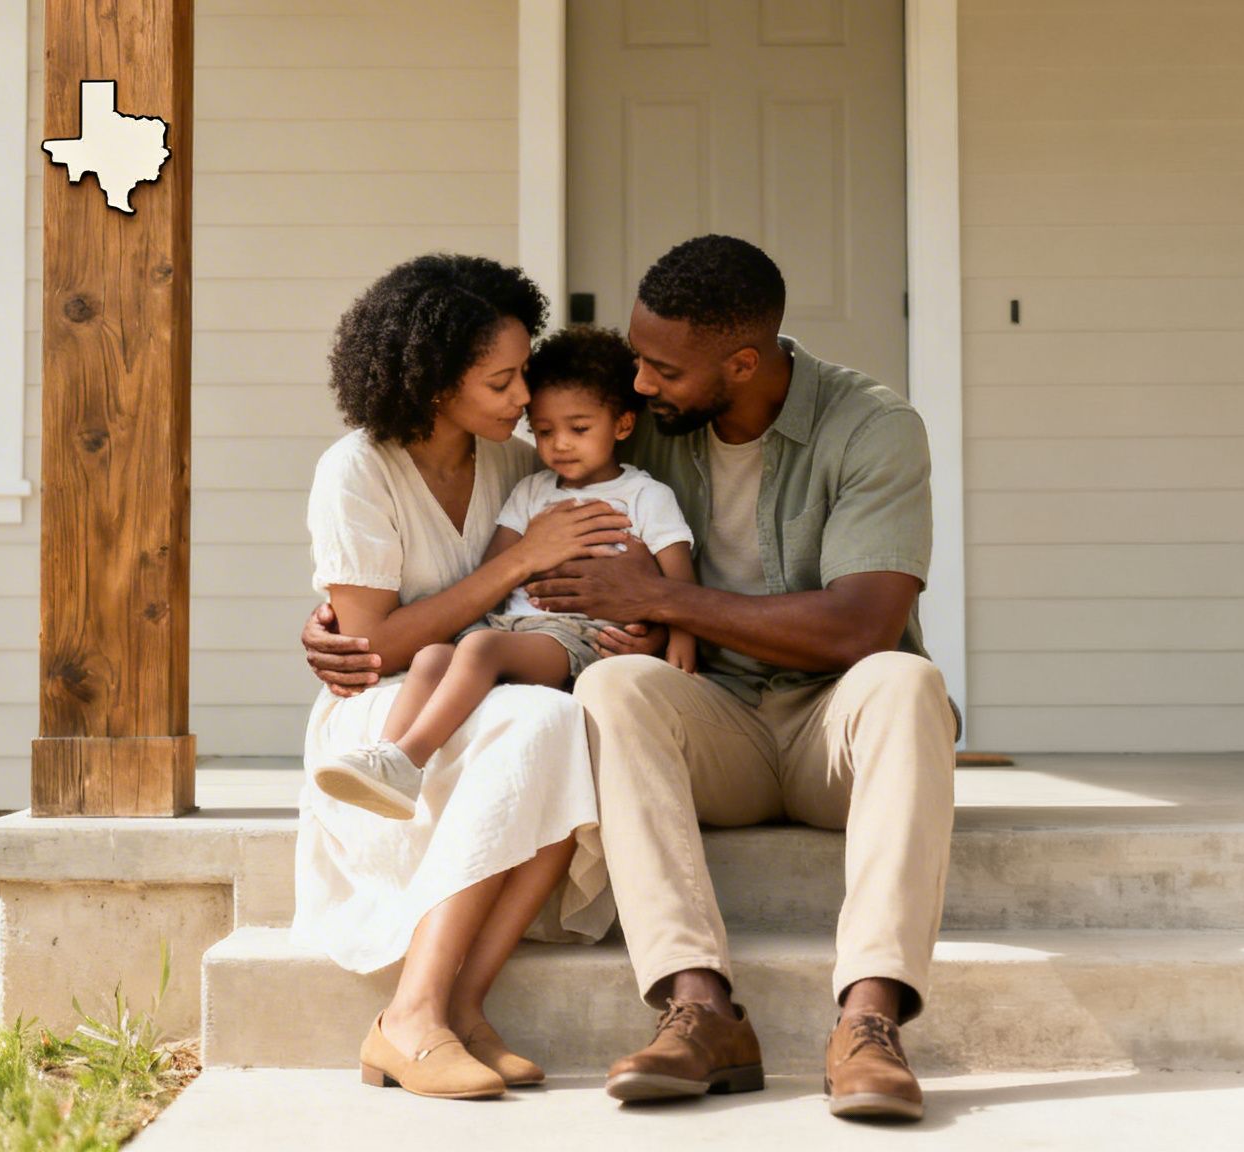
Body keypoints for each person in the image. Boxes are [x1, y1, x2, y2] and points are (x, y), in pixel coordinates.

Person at [303, 235, 957, 1123]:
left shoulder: (871, 428)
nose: (639, 388)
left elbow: (861, 625)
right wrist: (345, 631)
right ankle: (698, 1008)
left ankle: (870, 1022)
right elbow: (429, 580)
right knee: (598, 696)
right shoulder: (625, 425)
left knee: (907, 681)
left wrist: (663, 602)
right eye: (633, 373)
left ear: (740, 363)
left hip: (828, 725)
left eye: (660, 371)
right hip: (699, 720)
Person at [296, 253, 629, 1101]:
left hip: (492, 693)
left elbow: (561, 588)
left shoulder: (517, 467)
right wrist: (518, 560)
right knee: (539, 726)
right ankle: (409, 1016)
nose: (526, 401)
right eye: (502, 381)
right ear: (436, 383)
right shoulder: (357, 472)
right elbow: (376, 649)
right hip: (388, 716)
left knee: (559, 725)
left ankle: (464, 1010)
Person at [312, 325, 698, 821]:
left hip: (577, 636)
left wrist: (678, 635)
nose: (559, 444)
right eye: (543, 431)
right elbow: (494, 570)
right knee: (433, 655)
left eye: (578, 430)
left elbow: (676, 577)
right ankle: (385, 759)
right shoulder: (531, 488)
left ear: (622, 425)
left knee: (478, 648)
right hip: (507, 627)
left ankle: (411, 759)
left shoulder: (647, 496)